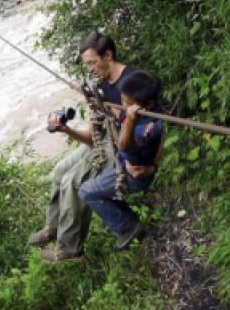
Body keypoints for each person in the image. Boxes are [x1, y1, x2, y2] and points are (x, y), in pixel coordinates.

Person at [27, 31, 156, 263]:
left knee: (72, 181)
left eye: (92, 62)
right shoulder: (102, 86)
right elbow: (92, 137)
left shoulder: (132, 84)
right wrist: (66, 130)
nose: (90, 69)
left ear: (108, 55)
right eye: (86, 64)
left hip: (120, 147)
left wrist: (149, 163)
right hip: (104, 140)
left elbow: (155, 125)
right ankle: (53, 227)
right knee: (59, 171)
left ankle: (69, 248)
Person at [78, 70, 162, 251]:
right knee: (92, 186)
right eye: (122, 100)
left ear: (147, 105)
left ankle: (128, 227)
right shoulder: (152, 109)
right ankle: (128, 222)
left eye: (128, 104)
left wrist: (130, 120)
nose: (124, 106)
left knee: (86, 192)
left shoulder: (144, 127)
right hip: (128, 166)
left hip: (132, 174)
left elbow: (123, 145)